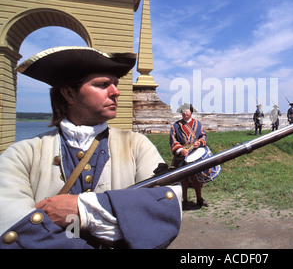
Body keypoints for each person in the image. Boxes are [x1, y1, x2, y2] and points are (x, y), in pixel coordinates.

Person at [0, 46, 182, 249]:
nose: (116, 92)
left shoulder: (137, 145)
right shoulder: (21, 155)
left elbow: (165, 207)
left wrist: (83, 210)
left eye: (115, 84)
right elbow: (14, 229)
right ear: (69, 94)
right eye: (103, 84)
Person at [170, 103, 208, 210]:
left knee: (196, 179)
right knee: (184, 179)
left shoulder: (197, 124)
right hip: (181, 157)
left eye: (187, 112)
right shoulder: (175, 126)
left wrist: (199, 142)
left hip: (194, 155)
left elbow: (203, 135)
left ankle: (199, 198)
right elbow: (173, 140)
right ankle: (185, 200)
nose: (185, 114)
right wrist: (180, 149)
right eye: (183, 112)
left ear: (191, 112)